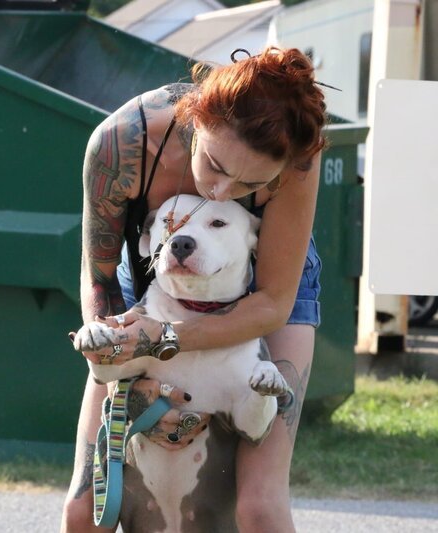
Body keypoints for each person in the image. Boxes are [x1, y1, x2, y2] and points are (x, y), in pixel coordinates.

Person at [60, 46, 326, 532]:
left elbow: (272, 303)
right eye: (217, 166)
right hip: (151, 274)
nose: (221, 192)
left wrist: (162, 339)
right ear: (197, 117)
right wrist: (129, 382)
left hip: (266, 283)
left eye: (251, 184)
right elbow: (99, 280)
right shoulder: (123, 141)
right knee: (85, 508)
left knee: (259, 506)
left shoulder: (297, 155)